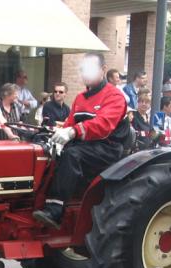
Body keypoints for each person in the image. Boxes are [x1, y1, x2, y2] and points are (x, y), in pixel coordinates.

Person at [33, 52, 128, 229]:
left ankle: (55, 209)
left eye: (90, 69)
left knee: (71, 154)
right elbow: (69, 123)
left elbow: (103, 125)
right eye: (83, 70)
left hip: (107, 148)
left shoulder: (114, 96)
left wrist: (72, 132)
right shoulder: (80, 98)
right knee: (46, 152)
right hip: (86, 146)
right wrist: (56, 137)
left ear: (103, 70)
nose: (86, 73)